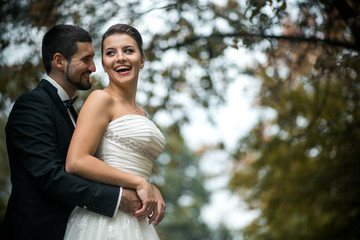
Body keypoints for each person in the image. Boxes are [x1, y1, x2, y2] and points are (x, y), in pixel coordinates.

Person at [1, 24, 145, 240]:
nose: (93, 68)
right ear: (59, 61)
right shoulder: (32, 105)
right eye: (85, 59)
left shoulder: (72, 112)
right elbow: (49, 175)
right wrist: (117, 198)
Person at [63, 23, 166, 240]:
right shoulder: (101, 99)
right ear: (104, 63)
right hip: (104, 219)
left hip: (137, 221)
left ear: (142, 59)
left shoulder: (142, 113)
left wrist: (150, 186)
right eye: (111, 53)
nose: (120, 58)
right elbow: (76, 161)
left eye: (128, 50)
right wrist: (139, 182)